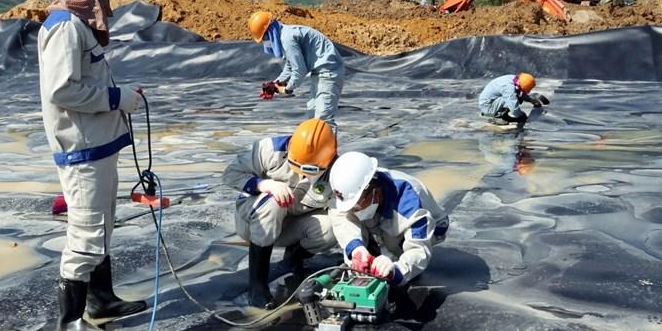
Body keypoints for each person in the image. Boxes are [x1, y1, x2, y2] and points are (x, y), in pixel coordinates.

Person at [38, 0, 147, 331]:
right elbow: (62, 90)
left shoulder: (77, 26)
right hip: (82, 151)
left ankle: (101, 300)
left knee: (100, 226)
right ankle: (70, 320)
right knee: (86, 231)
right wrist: (117, 98)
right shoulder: (65, 28)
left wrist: (117, 100)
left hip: (97, 145)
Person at [222, 118, 339, 309]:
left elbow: (342, 215)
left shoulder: (336, 171)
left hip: (291, 224)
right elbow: (230, 174)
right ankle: (257, 283)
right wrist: (264, 184)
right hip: (253, 221)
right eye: (296, 164)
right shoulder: (270, 149)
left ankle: (293, 259)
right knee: (274, 202)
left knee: (331, 226)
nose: (301, 173)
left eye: (310, 169)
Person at [328, 151, 449, 286]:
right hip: (381, 211)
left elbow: (419, 249)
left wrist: (396, 270)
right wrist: (356, 249)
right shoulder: (354, 187)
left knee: (393, 248)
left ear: (375, 192)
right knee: (350, 218)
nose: (352, 210)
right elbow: (339, 214)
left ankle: (394, 252)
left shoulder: (410, 204)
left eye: (356, 206)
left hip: (430, 229)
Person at [248, 11, 345, 132]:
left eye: (264, 38)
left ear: (270, 32)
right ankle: (314, 150)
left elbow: (299, 69)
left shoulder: (287, 38)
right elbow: (290, 65)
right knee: (311, 116)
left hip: (329, 72)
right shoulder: (284, 35)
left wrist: (287, 89)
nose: (265, 42)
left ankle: (330, 150)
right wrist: (275, 83)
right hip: (319, 74)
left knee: (323, 119)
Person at [478, 72, 546, 126]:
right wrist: (522, 116)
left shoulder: (515, 79)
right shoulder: (508, 88)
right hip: (488, 107)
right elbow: (513, 107)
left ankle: (501, 114)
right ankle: (496, 117)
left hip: (492, 101)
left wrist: (530, 100)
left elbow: (520, 91)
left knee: (516, 96)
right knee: (513, 99)